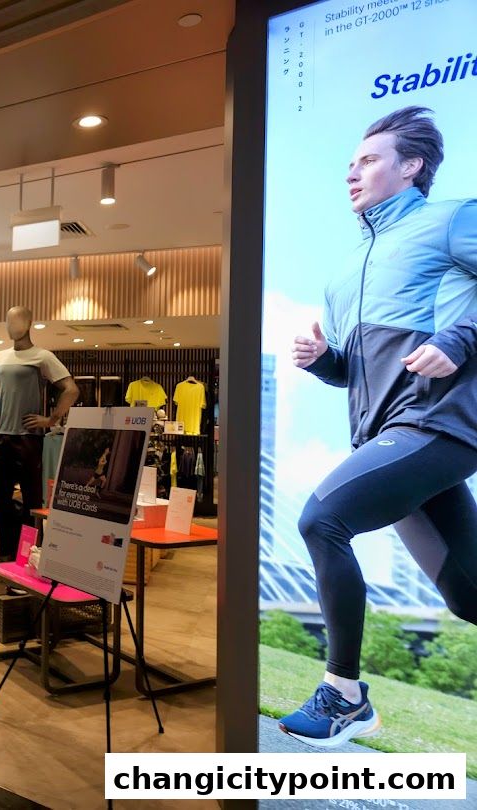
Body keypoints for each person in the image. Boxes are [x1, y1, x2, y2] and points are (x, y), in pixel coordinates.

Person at [283, 106, 477, 748]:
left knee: (321, 519)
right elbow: (357, 374)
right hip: (387, 433)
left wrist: (460, 336)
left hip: (437, 420)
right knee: (469, 597)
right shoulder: (346, 270)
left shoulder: (450, 220)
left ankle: (345, 696)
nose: (351, 173)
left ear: (412, 166)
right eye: (349, 163)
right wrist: (325, 362)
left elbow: (455, 335)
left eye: (368, 160)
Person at [0, 306, 79, 566]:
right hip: (3, 438)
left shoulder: (42, 356)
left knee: (31, 501)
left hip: (29, 438)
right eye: (7, 321)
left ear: (28, 323)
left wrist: (51, 419)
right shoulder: (0, 357)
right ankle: (5, 554)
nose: (9, 326)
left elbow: (71, 389)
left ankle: (31, 554)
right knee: (2, 500)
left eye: (14, 320)